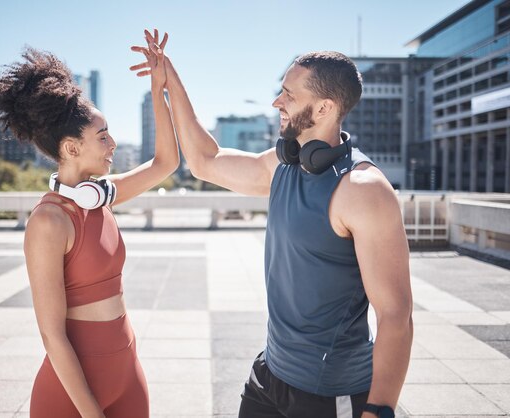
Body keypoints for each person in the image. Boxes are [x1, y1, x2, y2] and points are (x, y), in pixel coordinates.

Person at [131, 31, 412, 418]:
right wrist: (169, 81)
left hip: (327, 394)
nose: (276, 101)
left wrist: (378, 411)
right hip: (270, 375)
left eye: (289, 95)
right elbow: (204, 160)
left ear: (325, 108)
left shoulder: (362, 189)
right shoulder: (284, 165)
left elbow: (396, 314)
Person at [0, 41, 177, 418]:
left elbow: (166, 162)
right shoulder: (48, 221)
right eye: (102, 135)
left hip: (126, 374)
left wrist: (158, 89)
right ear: (72, 148)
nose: (113, 143)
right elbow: (52, 335)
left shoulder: (101, 197)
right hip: (70, 395)